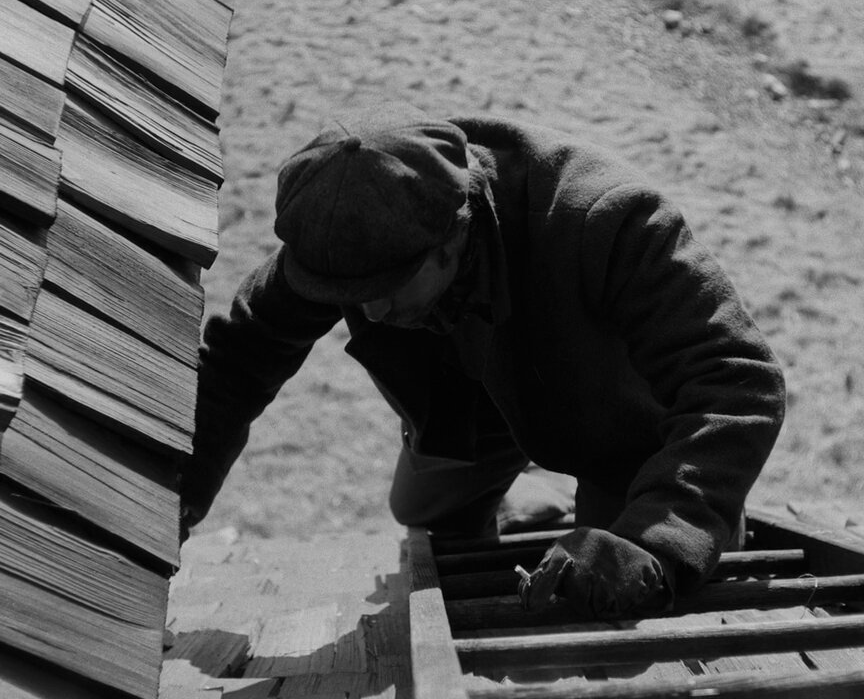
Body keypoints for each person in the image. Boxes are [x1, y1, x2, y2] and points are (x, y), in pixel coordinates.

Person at [181, 101, 786, 619]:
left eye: (389, 285)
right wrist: (174, 502)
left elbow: (738, 380)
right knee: (420, 510)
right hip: (471, 404)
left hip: (616, 427)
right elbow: (238, 359)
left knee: (611, 590)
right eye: (352, 295)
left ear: (453, 232)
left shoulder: (605, 220)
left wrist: (658, 539)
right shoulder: (345, 239)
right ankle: (531, 500)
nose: (373, 310)